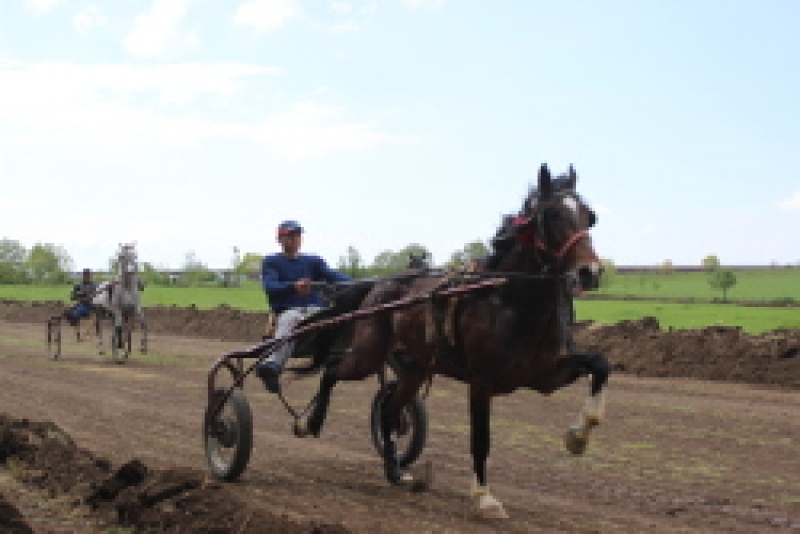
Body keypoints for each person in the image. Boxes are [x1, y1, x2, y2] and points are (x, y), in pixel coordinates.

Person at [255, 220, 351, 393]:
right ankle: (272, 365)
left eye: (297, 235)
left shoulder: (313, 261)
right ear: (279, 239)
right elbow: (270, 286)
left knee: (340, 317)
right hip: (288, 312)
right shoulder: (271, 262)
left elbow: (334, 276)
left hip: (317, 312)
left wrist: (360, 284)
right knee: (291, 320)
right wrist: (293, 286)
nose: (295, 239)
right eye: (290, 236)